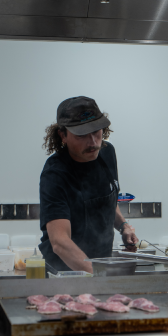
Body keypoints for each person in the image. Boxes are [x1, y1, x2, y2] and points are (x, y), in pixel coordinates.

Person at [39, 96, 138, 273]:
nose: (93, 142)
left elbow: (107, 200)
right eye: (82, 135)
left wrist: (123, 226)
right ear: (63, 135)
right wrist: (97, 277)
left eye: (96, 131)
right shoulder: (55, 174)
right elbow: (60, 242)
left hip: (100, 264)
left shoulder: (107, 153)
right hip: (64, 273)